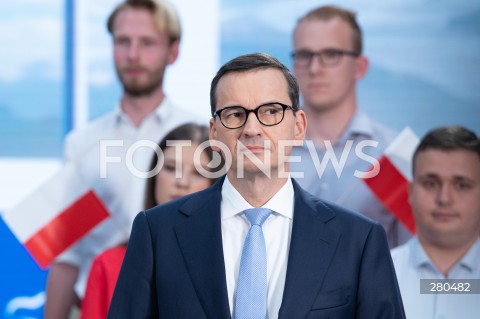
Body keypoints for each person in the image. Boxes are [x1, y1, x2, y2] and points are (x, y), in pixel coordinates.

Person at [107, 53, 405, 318]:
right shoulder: (158, 232)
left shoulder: (359, 241)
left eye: (271, 111)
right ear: (214, 132)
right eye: (235, 114)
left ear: (298, 126)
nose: (252, 129)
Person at [44, 1, 201, 318]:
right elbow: (68, 257)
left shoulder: (200, 140)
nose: (133, 54)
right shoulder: (83, 145)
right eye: (123, 41)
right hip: (97, 305)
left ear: (173, 52)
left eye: (147, 43)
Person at [289, 5, 410, 247]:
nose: (314, 68)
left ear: (360, 67)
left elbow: (418, 260)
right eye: (304, 55)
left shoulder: (397, 153)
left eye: (331, 54)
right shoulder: (267, 150)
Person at [80, 123, 216, 319]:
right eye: (170, 168)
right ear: (154, 176)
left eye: (198, 173)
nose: (182, 181)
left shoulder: (232, 259)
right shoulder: (109, 265)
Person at [391, 126, 480, 319]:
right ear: (411, 191)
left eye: (461, 185)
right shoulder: (376, 275)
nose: (444, 198)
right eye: (431, 183)